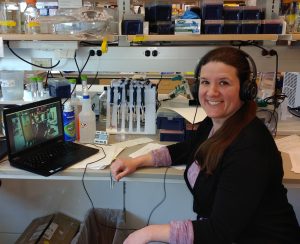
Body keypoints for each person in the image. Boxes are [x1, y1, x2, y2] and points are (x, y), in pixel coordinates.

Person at [110, 47, 300, 244]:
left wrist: (147, 232)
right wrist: (137, 161)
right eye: (205, 82)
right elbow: (189, 148)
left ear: (246, 90)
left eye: (224, 83)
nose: (212, 92)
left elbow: (218, 232)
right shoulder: (216, 122)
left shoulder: (249, 148)